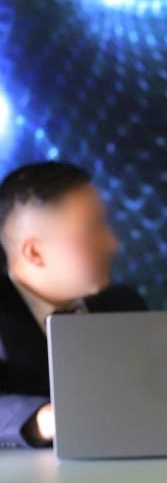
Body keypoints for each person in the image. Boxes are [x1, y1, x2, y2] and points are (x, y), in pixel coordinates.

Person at [0, 161, 145, 449]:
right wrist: (43, 419)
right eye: (92, 229)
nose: (112, 244)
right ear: (35, 252)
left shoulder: (123, 305)